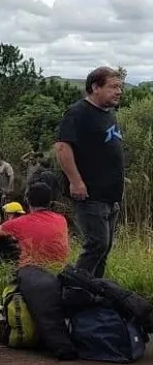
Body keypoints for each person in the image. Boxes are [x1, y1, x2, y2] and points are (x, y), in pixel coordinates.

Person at [53, 66, 124, 278]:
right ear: (95, 87)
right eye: (113, 87)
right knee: (96, 244)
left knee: (104, 247)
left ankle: (94, 291)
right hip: (90, 193)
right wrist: (75, 181)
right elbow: (62, 147)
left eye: (120, 87)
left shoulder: (108, 114)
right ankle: (74, 289)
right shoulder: (78, 112)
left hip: (110, 195)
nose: (119, 91)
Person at [0, 183, 69, 270]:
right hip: (59, 268)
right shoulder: (61, 219)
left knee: (0, 238)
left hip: (31, 271)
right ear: (49, 201)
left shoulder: (18, 223)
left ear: (27, 200)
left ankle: (4, 270)